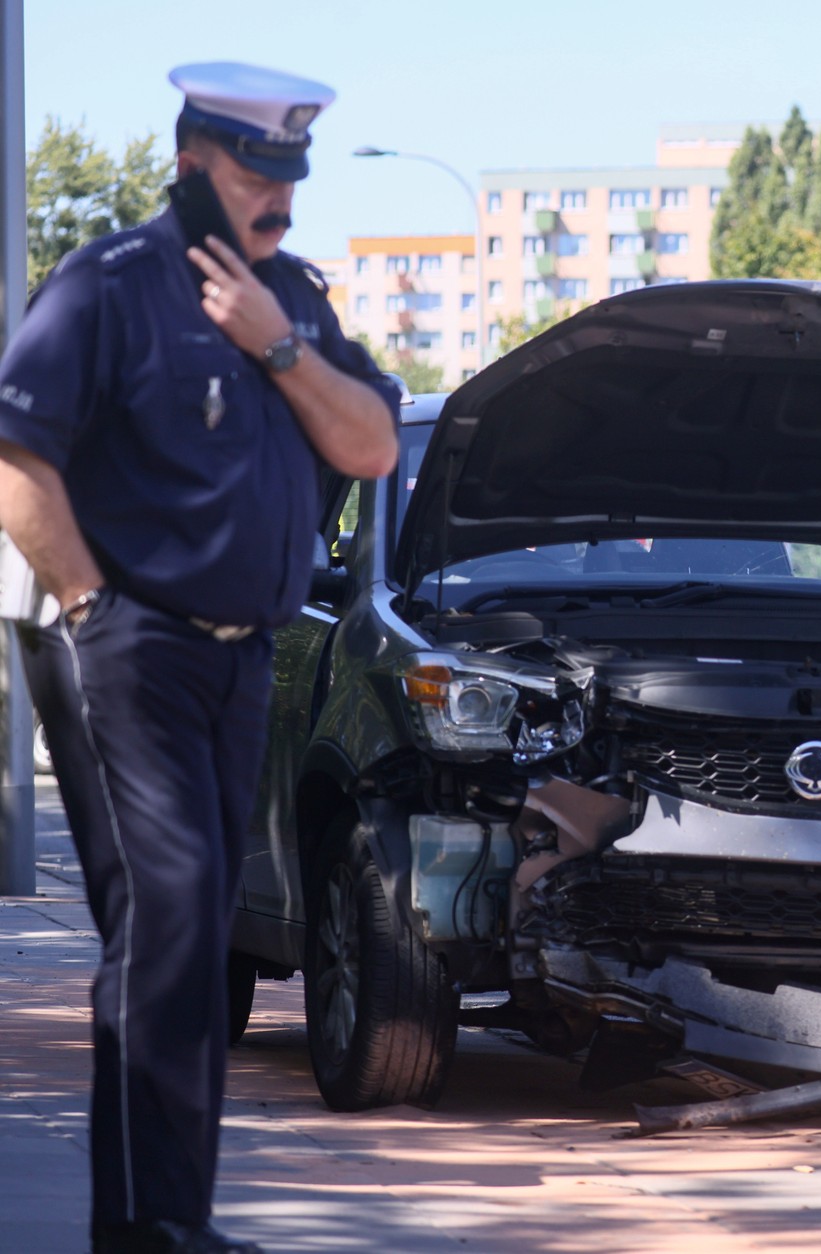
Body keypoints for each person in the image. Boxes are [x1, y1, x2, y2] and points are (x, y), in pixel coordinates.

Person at [0, 63, 400, 1254]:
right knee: (166, 922)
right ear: (189, 165)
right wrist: (89, 605)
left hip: (243, 661)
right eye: (254, 174)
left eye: (290, 175)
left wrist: (279, 349)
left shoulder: (294, 300)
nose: (280, 197)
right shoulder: (111, 285)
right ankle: (147, 1227)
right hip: (134, 651)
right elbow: (17, 457)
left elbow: (373, 445)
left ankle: (170, 1218)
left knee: (198, 928)